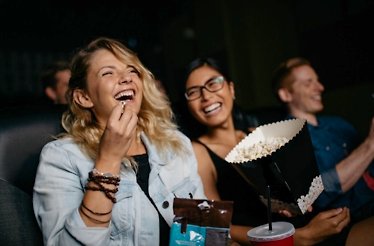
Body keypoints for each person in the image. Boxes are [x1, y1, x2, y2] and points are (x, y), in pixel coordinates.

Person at [180, 57, 373, 245]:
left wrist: (291, 203)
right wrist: (292, 238)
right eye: (193, 92)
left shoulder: (259, 133)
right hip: (280, 241)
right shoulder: (197, 152)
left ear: (231, 89)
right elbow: (212, 229)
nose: (206, 96)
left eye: (213, 83)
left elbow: (290, 193)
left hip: (309, 226)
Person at [33, 37, 206, 245]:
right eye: (108, 72)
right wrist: (109, 159)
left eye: (132, 70)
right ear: (84, 97)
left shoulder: (176, 143)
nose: (126, 78)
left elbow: (201, 231)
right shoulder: (61, 157)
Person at [272, 57, 374, 222]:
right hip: (349, 221)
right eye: (308, 83)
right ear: (286, 94)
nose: (320, 87)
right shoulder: (283, 139)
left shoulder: (339, 123)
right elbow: (313, 194)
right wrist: (371, 145)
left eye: (317, 81)